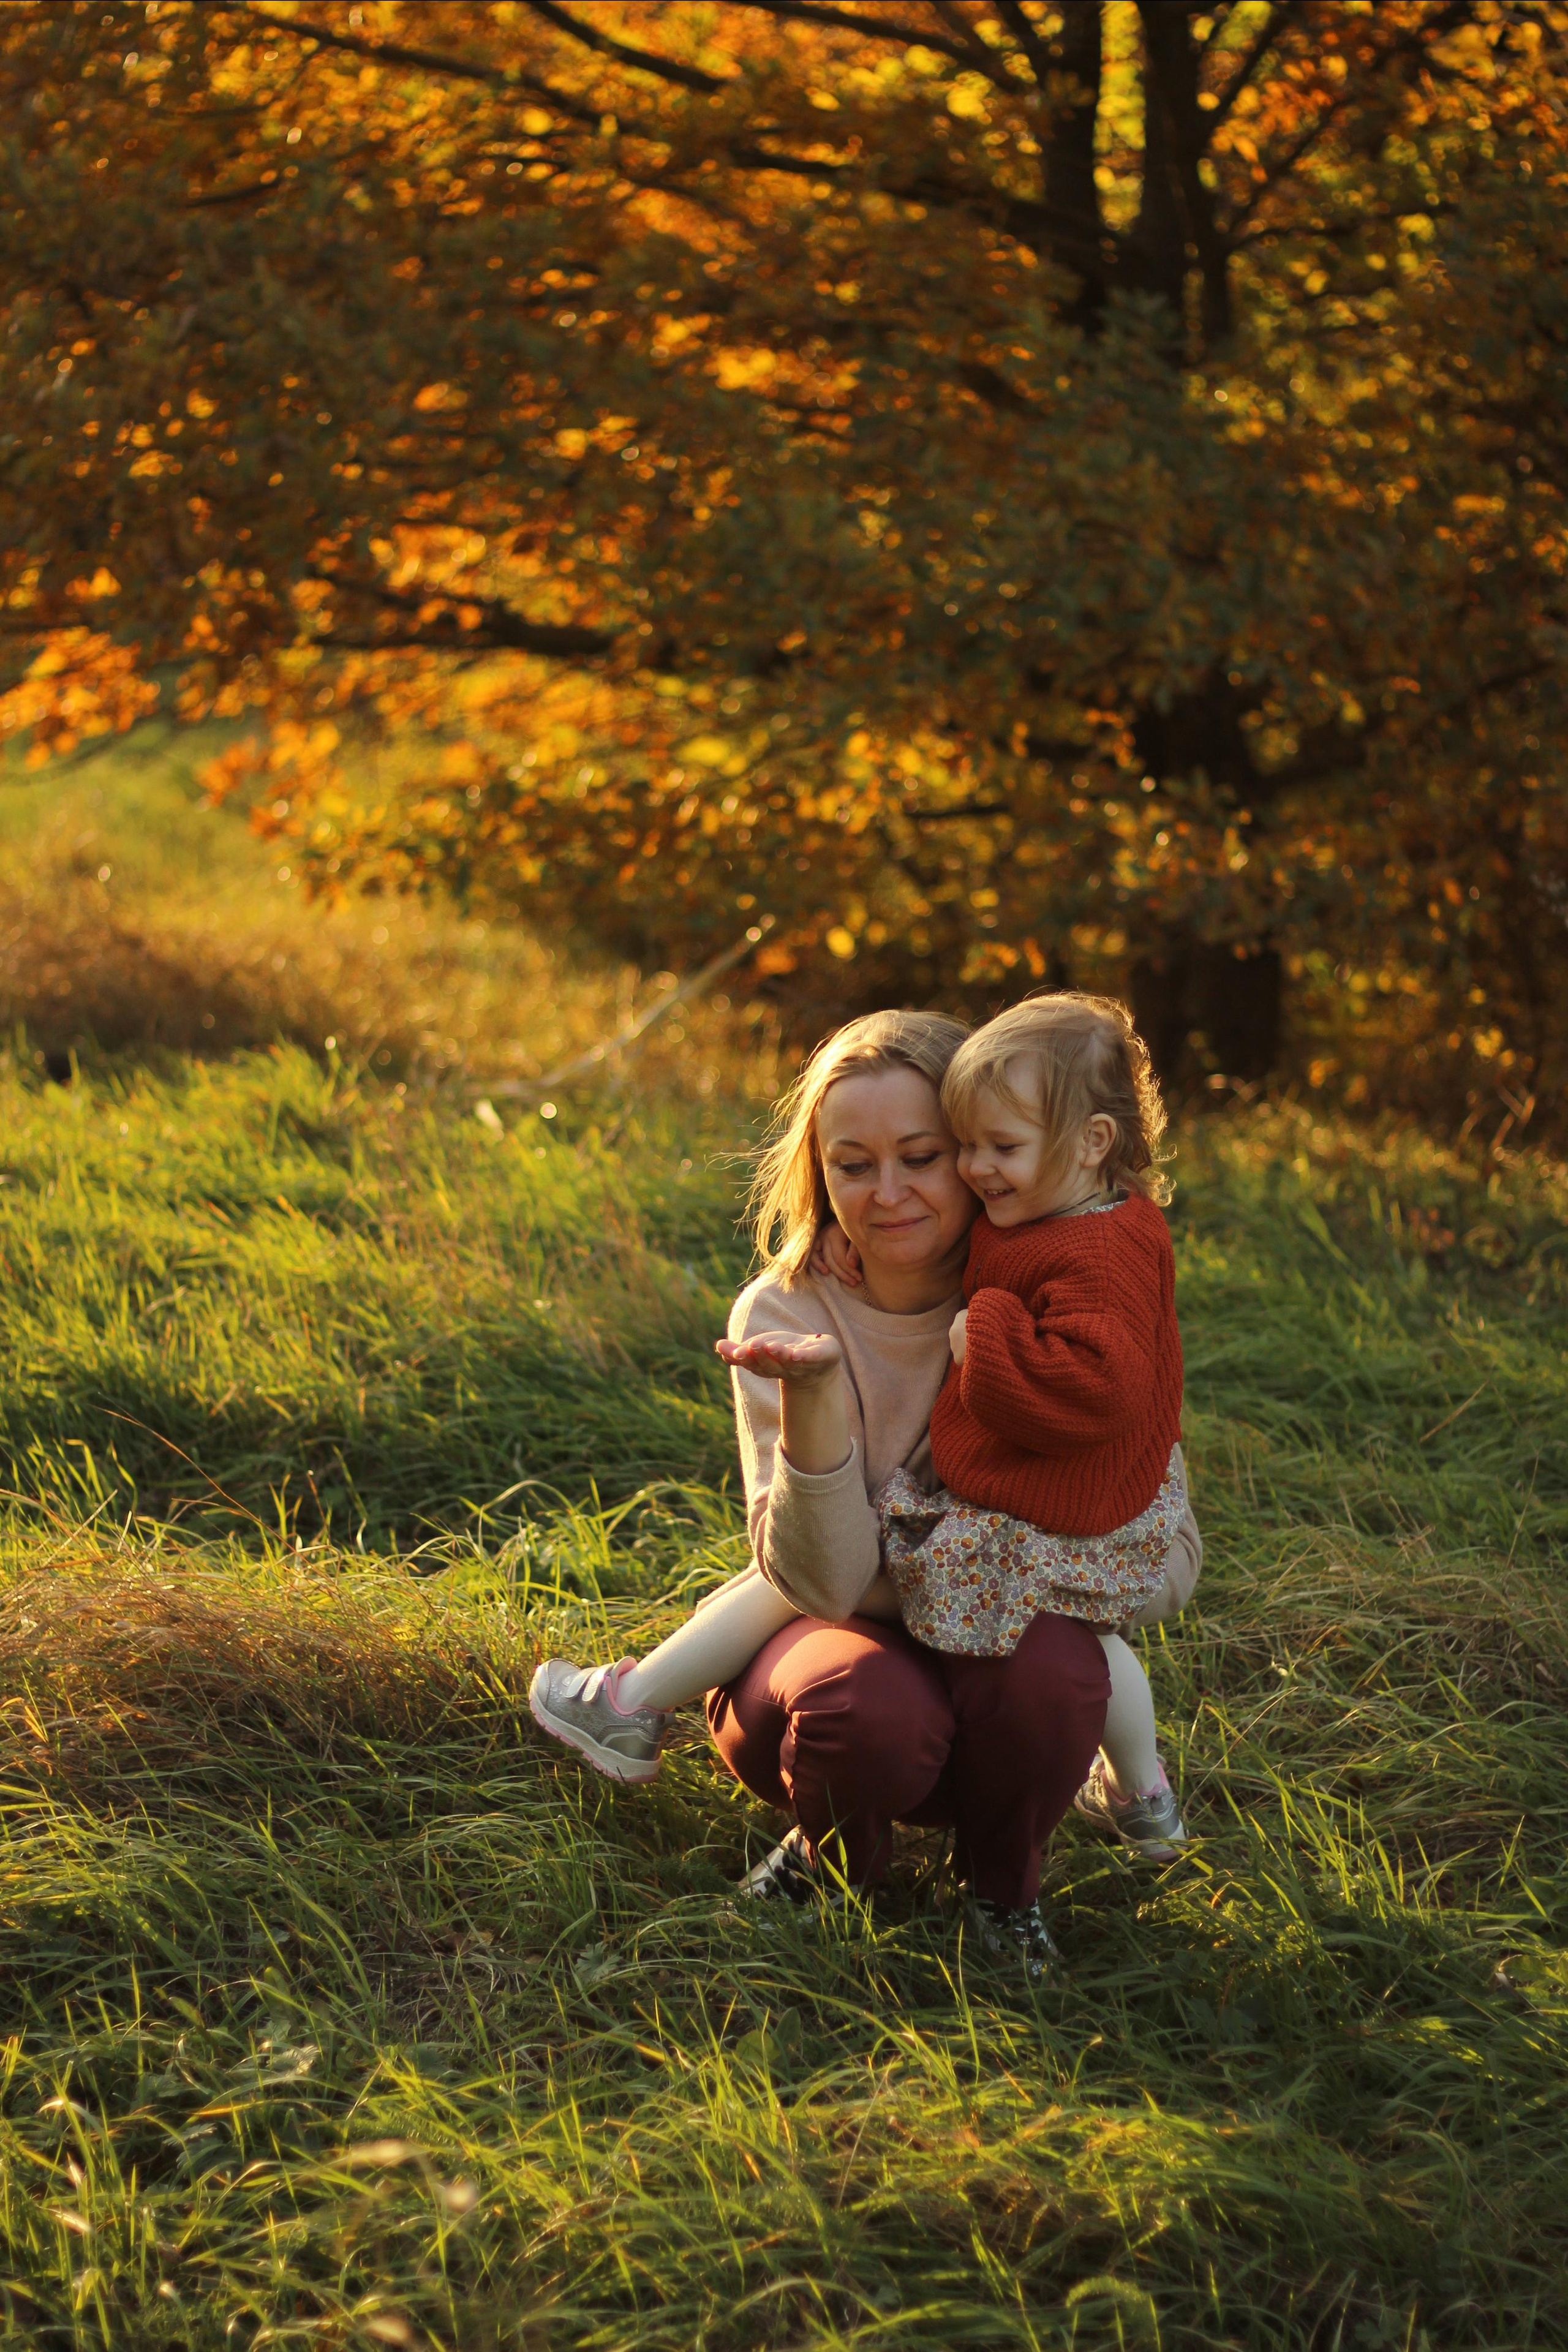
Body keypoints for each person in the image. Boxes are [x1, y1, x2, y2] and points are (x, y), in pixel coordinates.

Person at [530, 1006, 1200, 1970]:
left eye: (924, 1156)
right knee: (867, 1703)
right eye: (854, 1166)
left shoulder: (1047, 1285)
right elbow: (823, 1580)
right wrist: (811, 1399)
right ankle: (831, 1864)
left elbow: (1164, 1551)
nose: (888, 1195)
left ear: (975, 1154)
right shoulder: (788, 1308)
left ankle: (1005, 1896)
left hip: (994, 1682)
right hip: (829, 1661)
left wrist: (1007, 1573)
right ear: (821, 1172)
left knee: (1059, 1668)